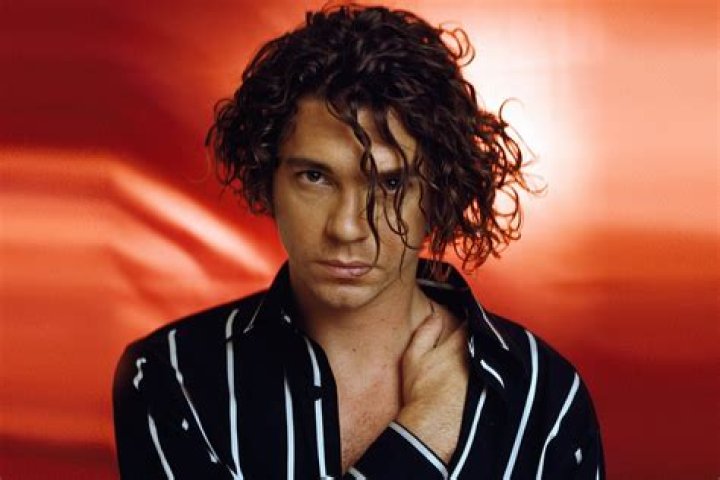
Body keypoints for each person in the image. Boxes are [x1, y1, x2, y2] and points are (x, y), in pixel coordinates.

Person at [113, 4, 604, 479]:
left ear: (439, 193)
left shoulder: (544, 398)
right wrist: (423, 433)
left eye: (390, 183)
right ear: (268, 181)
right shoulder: (171, 376)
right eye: (315, 177)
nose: (347, 227)